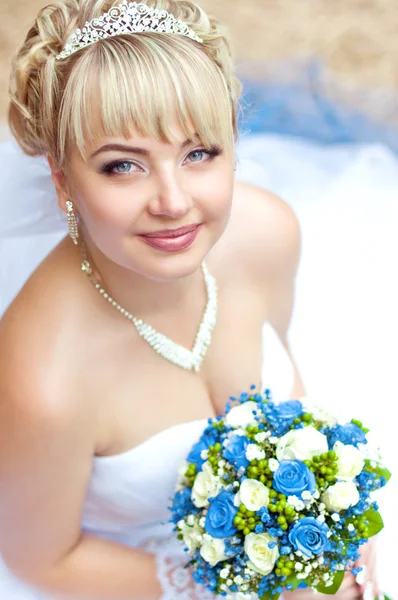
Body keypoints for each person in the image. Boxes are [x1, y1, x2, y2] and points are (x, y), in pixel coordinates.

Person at [0, 0, 382, 598]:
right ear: (62, 181)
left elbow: (289, 398)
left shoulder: (266, 234)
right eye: (123, 166)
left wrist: (335, 534)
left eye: (198, 153)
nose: (174, 202)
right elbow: (41, 561)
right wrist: (246, 585)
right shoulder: (43, 381)